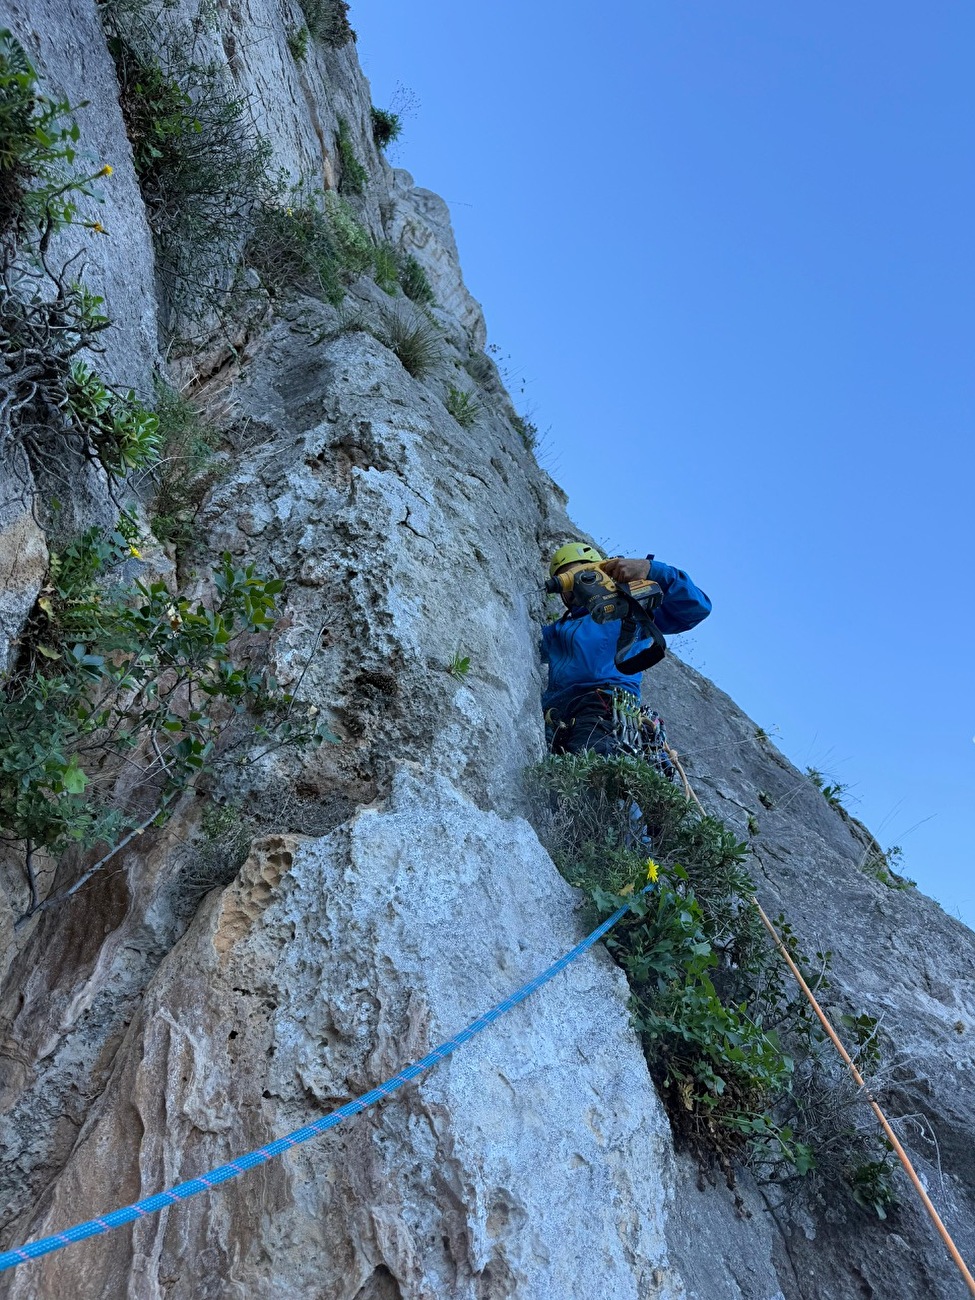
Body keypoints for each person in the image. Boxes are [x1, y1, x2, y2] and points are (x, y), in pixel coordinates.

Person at [540, 542, 711, 758]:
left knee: (591, 769)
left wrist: (651, 570)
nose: (575, 585)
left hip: (602, 704)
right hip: (558, 715)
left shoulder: (631, 607)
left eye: (583, 574)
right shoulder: (557, 631)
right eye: (567, 581)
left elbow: (696, 609)